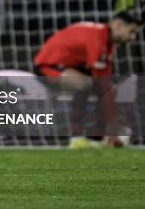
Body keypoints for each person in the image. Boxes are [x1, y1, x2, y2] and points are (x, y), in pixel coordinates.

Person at [33, 10, 142, 148]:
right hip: (47, 67)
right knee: (88, 84)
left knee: (101, 87)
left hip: (70, 66)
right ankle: (77, 137)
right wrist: (114, 122)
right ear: (118, 25)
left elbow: (105, 83)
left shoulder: (108, 42)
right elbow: (100, 81)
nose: (133, 37)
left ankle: (98, 137)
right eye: (131, 31)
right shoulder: (97, 38)